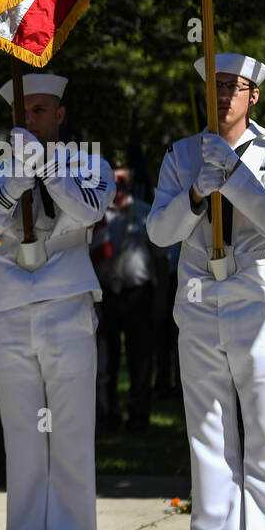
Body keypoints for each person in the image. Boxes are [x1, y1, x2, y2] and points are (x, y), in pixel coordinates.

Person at [146, 53, 265, 530]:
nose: (223, 95)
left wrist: (233, 175)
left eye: (234, 87)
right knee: (207, 428)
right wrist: (195, 192)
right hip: (197, 297)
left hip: (252, 298)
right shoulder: (182, 154)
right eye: (215, 86)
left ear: (253, 95)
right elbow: (158, 231)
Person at [0, 73, 114, 530]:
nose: (31, 120)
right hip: (8, 306)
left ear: (61, 115)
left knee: (69, 427)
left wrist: (45, 170)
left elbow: (88, 211)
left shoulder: (88, 163)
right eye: (24, 114)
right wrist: (9, 193)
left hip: (66, 299)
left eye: (41, 111)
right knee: (22, 429)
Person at [94, 168, 157, 432]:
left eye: (123, 180)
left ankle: (139, 415)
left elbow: (161, 258)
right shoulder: (97, 215)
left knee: (139, 356)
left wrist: (162, 297)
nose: (118, 186)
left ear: (131, 182)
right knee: (108, 359)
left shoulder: (144, 212)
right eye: (114, 180)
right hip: (107, 294)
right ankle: (110, 414)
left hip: (138, 294)